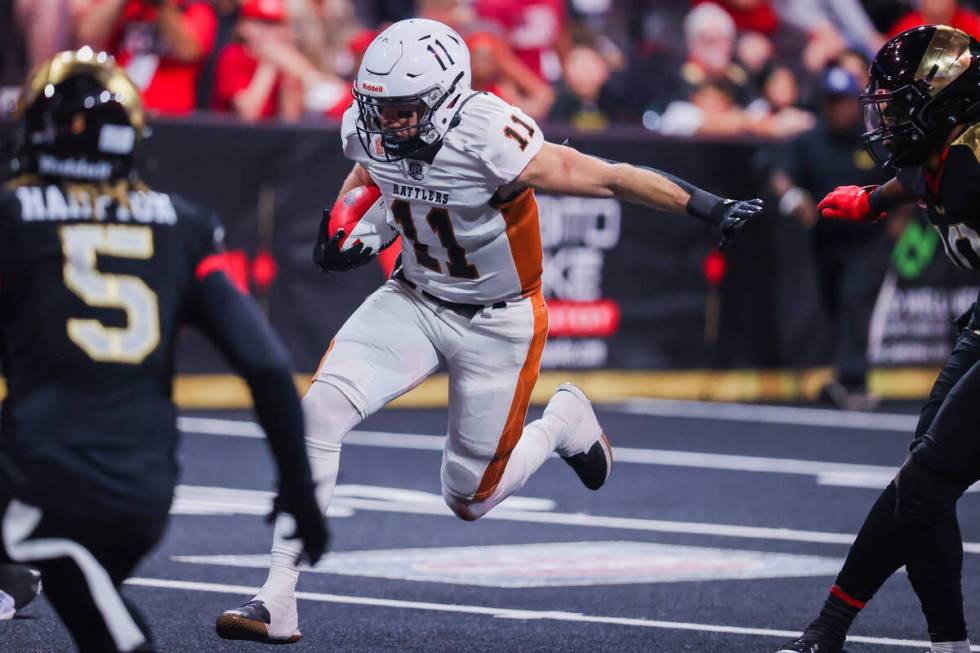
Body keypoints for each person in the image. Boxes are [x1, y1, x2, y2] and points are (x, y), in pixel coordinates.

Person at [215, 17, 763, 644]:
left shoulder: (492, 138)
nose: (386, 123)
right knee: (317, 413)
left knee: (470, 499)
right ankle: (277, 596)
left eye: (402, 110)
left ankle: (562, 422)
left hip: (499, 319)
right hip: (414, 298)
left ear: (447, 99)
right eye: (378, 107)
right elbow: (370, 174)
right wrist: (350, 225)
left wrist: (706, 204)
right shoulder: (369, 128)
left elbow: (604, 174)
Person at [0, 47, 328, 653]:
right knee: (85, 593)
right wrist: (299, 492)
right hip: (145, 492)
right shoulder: (182, 223)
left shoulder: (14, 216)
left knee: (90, 599)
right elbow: (263, 364)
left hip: (42, 482)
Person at [775, 25, 980, 653]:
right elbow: (921, 179)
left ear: (941, 99)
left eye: (897, 103)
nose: (886, 116)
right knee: (923, 481)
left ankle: (832, 626)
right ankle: (930, 638)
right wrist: (869, 200)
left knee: (924, 480)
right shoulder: (948, 148)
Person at [768, 66, 889, 410]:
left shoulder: (874, 142)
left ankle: (854, 380)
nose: (841, 110)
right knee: (834, 303)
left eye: (846, 103)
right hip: (827, 240)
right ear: (825, 105)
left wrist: (900, 220)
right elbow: (781, 174)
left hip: (868, 239)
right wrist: (794, 198)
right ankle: (844, 376)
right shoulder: (809, 141)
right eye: (834, 103)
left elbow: (905, 177)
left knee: (854, 298)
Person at [70, 0, 218, 114]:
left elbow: (188, 51)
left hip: (170, 116)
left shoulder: (193, 6)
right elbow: (88, 35)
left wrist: (162, 5)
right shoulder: (127, 8)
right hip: (119, 108)